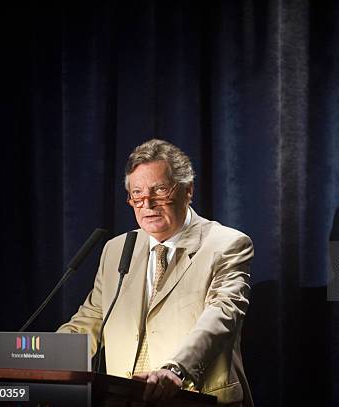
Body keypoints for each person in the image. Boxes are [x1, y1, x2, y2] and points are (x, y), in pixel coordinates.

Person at [58, 139, 254, 406]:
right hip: (125, 399)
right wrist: (39, 356)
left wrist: (175, 369)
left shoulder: (227, 244)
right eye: (137, 194)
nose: (147, 204)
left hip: (194, 398)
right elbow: (91, 319)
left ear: (187, 190)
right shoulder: (117, 249)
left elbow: (222, 315)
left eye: (159, 190)